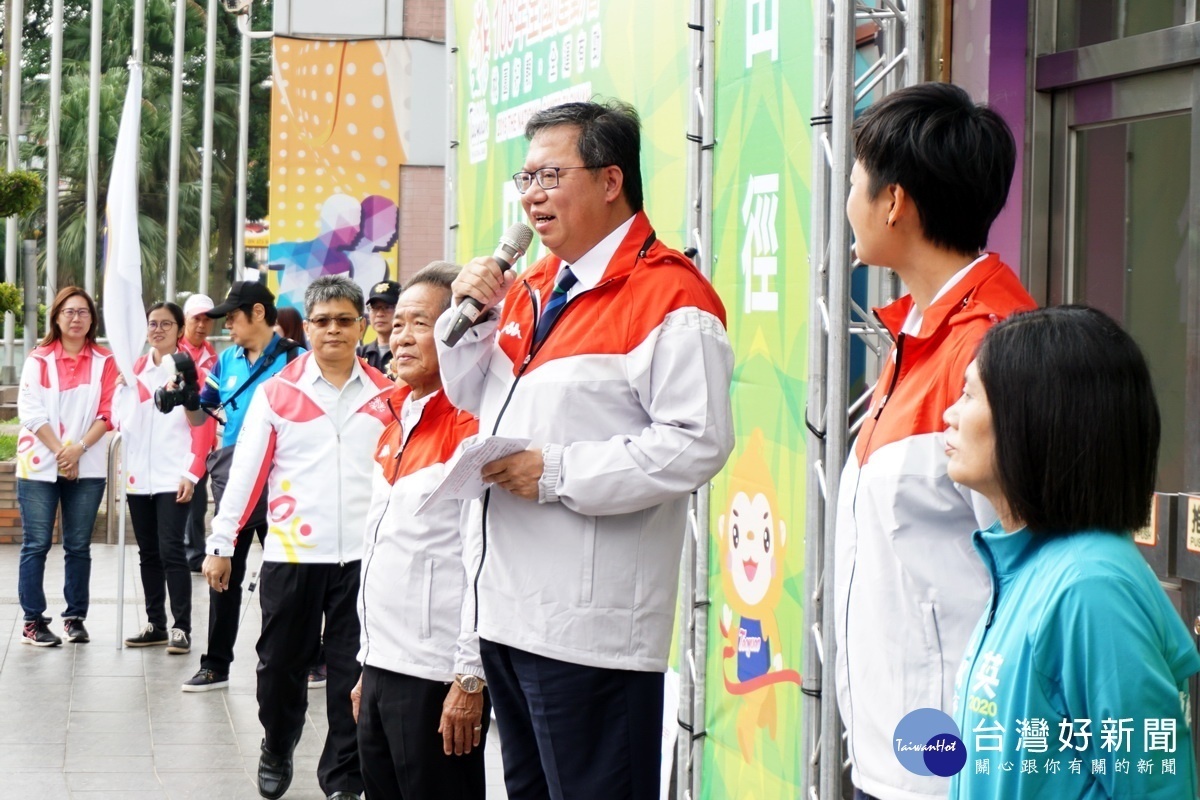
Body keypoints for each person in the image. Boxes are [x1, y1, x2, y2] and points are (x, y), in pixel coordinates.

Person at [435, 100, 734, 799]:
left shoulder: (670, 295)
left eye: (550, 174)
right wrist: (471, 318)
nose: (532, 194)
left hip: (589, 634)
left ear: (610, 180)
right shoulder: (531, 286)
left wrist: (558, 472)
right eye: (526, 176)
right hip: (508, 617)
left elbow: (697, 443)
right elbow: (478, 401)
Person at [832, 82, 1037, 800]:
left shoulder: (993, 349)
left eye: (855, 184)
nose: (850, 204)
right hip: (904, 746)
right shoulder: (922, 335)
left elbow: (1031, 574)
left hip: (952, 761)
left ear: (894, 203)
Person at [943, 306, 1200, 798]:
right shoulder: (1032, 565)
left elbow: (1150, 786)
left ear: (1035, 418)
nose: (949, 416)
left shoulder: (1091, 587)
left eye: (969, 395)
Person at [204, 275, 392, 800]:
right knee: (279, 667)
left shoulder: (387, 394)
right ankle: (277, 742)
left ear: (360, 326)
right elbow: (247, 472)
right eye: (323, 320)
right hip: (293, 553)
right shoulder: (278, 393)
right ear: (306, 327)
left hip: (363, 558)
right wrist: (222, 542)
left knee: (352, 674)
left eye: (344, 320)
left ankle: (342, 778)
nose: (333, 330)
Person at [351, 262, 489, 799]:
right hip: (383, 666)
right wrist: (367, 664)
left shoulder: (472, 425)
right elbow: (381, 551)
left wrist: (469, 675)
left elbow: (482, 560)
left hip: (437, 677)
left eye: (421, 324)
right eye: (398, 323)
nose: (401, 336)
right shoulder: (394, 417)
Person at [181, 281, 304, 692]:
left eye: (231, 317)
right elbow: (203, 415)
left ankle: (298, 660)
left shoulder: (298, 361)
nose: (226, 326)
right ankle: (216, 664)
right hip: (235, 480)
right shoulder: (226, 360)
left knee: (288, 578)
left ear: (256, 312)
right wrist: (183, 396)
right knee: (222, 571)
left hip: (284, 484)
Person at [15, 286, 117, 646]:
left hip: (86, 466)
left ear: (92, 320)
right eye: (69, 312)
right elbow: (30, 412)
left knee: (77, 545)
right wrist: (63, 452)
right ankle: (32, 621)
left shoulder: (105, 361)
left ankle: (74, 618)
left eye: (83, 312)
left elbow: (109, 411)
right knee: (37, 544)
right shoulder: (38, 359)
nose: (76, 318)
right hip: (40, 464)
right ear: (56, 317)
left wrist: (78, 451)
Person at [116, 302, 216, 654]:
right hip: (139, 476)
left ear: (178, 329)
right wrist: (123, 389)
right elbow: (121, 421)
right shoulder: (134, 370)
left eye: (166, 324)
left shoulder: (188, 369)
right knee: (148, 553)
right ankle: (155, 623)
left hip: (173, 475)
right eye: (152, 323)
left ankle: (181, 627)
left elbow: (203, 427)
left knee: (172, 549)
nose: (157, 329)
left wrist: (192, 472)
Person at [178, 293, 217, 572]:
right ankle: (178, 551)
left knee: (198, 499)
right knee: (179, 496)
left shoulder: (213, 355)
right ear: (185, 320)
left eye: (207, 319)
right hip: (178, 439)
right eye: (196, 318)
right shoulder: (174, 354)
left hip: (204, 441)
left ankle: (194, 554)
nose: (202, 325)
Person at [356, 279, 398, 373]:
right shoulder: (359, 354)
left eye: (387, 307)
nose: (379, 314)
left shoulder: (406, 353)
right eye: (374, 308)